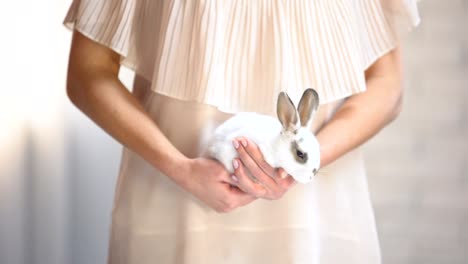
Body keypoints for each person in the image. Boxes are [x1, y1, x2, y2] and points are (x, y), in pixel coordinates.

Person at [63, 0, 420, 263]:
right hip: (174, 203)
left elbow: (387, 84)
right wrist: (180, 168)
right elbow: (86, 73)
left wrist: (303, 160)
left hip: (316, 215)